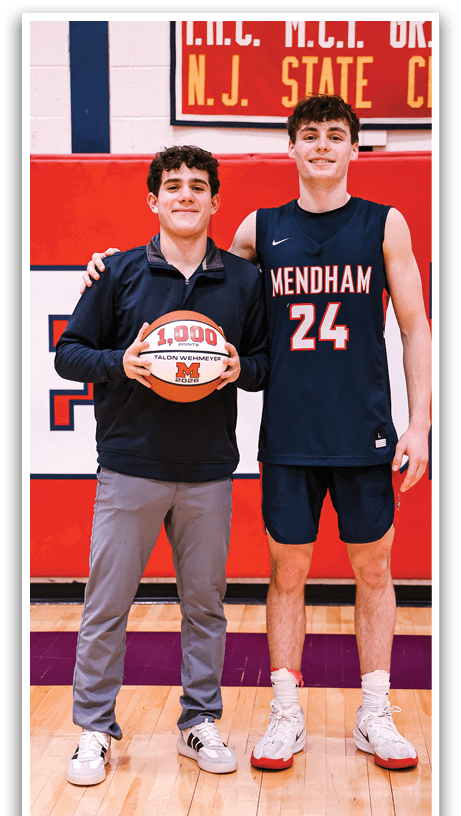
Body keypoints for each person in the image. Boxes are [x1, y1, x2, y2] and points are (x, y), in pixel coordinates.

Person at [80, 94, 432, 774]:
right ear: (291, 149)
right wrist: (109, 261)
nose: (322, 146)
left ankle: (375, 711)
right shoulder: (258, 228)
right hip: (289, 434)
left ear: (353, 149)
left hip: (364, 431)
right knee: (287, 572)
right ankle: (283, 709)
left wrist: (418, 421)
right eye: (309, 135)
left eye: (335, 135)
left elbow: (415, 325)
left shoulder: (384, 225)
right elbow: (194, 272)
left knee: (374, 569)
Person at [55, 145, 268, 784]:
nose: (185, 196)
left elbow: (263, 363)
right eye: (172, 186)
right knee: (107, 603)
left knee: (205, 605)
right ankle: (94, 729)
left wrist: (240, 369)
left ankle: (198, 723)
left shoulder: (244, 280)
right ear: (153, 200)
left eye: (197, 186)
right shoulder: (116, 274)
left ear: (214, 201)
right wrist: (123, 361)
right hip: (130, 466)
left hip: (207, 469)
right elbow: (69, 354)